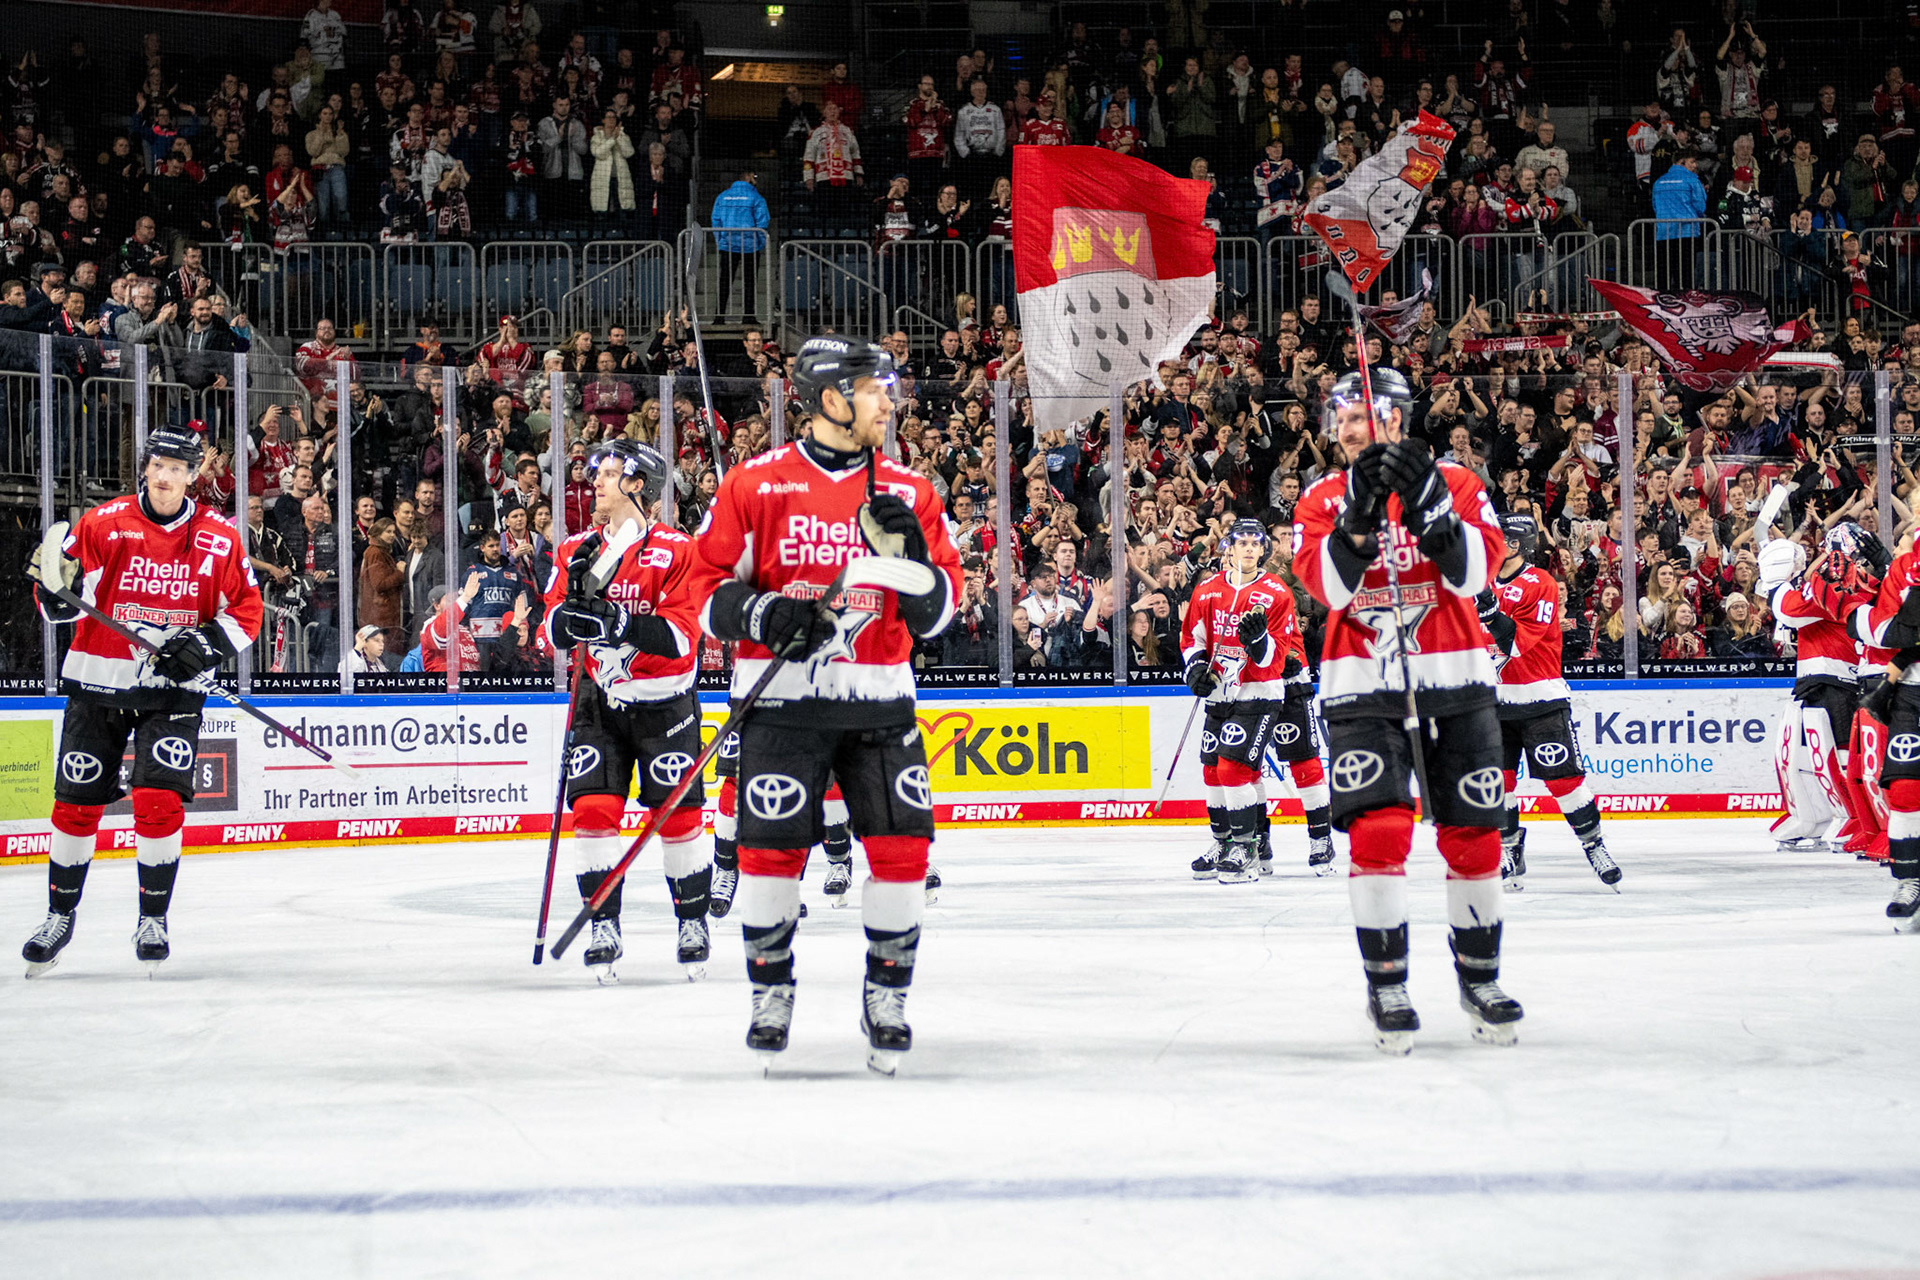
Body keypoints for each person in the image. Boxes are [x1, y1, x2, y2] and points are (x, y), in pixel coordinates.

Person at [691, 337, 962, 1075]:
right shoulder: (755, 484)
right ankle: (770, 993)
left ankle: (887, 996)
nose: (890, 401)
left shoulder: (910, 491)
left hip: (881, 704)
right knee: (769, 857)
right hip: (782, 707)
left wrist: (912, 566)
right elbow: (702, 589)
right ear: (833, 399)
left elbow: (944, 613)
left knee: (904, 854)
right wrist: (764, 616)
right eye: (876, 389)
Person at [1292, 368, 1519, 1054]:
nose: (1352, 427)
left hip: (1457, 676)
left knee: (1475, 834)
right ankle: (1385, 982)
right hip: (1361, 682)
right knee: (1380, 832)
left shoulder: (1458, 483)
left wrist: (1429, 504)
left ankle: (1480, 978)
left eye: (1365, 414)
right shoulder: (1322, 496)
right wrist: (1359, 518)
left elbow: (1477, 575)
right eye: (1342, 417)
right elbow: (1329, 589)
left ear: (1399, 418)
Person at [21, 424, 264, 976]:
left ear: (193, 475)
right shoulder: (102, 523)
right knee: (75, 806)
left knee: (158, 802)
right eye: (158, 465)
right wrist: (52, 599)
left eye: (178, 468)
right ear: (146, 468)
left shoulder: (219, 536)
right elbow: (61, 591)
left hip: (172, 692)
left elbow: (246, 608)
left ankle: (152, 919)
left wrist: (202, 645)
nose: (166, 476)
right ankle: (59, 916)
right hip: (98, 681)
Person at [541, 439, 711, 981]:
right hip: (598, 699)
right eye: (597, 474)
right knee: (592, 813)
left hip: (666, 704)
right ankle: (604, 926)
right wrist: (567, 621)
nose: (597, 483)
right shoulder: (576, 550)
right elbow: (549, 633)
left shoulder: (679, 550)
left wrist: (618, 624)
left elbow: (684, 638)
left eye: (610, 474)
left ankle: (692, 920)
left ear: (639, 485)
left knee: (679, 818)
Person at [1179, 518, 1332, 882]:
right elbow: (1192, 639)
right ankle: (1249, 842)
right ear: (1229, 547)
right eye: (1241, 542)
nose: (1248, 549)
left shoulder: (1277, 591)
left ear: (1263, 548)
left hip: (1280, 683)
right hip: (1229, 687)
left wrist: (1261, 644)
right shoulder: (1208, 590)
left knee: (1302, 763)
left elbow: (1279, 654)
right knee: (1224, 768)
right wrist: (1195, 669)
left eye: (1254, 543)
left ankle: (1319, 839)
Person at [1480, 512, 1622, 892]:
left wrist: (1489, 610)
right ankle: (1509, 849)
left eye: (1504, 539)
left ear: (1519, 545)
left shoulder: (1539, 582)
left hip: (1539, 698)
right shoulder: (1480, 582)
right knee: (1498, 784)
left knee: (1564, 780)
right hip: (1491, 703)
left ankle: (1594, 846)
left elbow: (1515, 643)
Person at [1765, 519, 1887, 853]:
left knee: (1839, 757)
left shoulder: (1843, 579)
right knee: (1794, 753)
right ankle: (1810, 815)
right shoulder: (1834, 576)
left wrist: (1776, 582)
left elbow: (1792, 611)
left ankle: (1853, 817)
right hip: (1815, 677)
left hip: (1837, 678)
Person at [710, 170, 770, 325]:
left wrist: (720, 241)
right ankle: (748, 316)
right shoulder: (755, 197)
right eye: (754, 177)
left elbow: (715, 220)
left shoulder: (723, 196)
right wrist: (759, 242)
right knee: (750, 281)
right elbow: (763, 221)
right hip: (750, 245)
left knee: (725, 281)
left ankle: (719, 317)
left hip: (728, 244)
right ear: (748, 178)